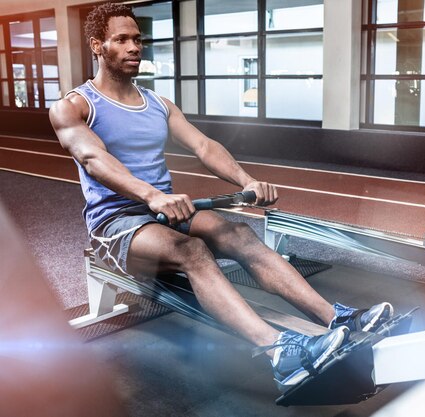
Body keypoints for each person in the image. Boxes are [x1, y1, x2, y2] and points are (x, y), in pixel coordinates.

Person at [49, 2, 393, 392]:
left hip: (168, 211)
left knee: (239, 235)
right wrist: (151, 196)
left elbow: (203, 146)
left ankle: (338, 318)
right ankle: (280, 352)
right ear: (98, 45)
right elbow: (93, 158)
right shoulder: (74, 106)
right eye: (121, 39)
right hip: (118, 223)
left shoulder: (158, 104)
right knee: (191, 250)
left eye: (137, 39)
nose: (133, 47)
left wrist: (249, 182)